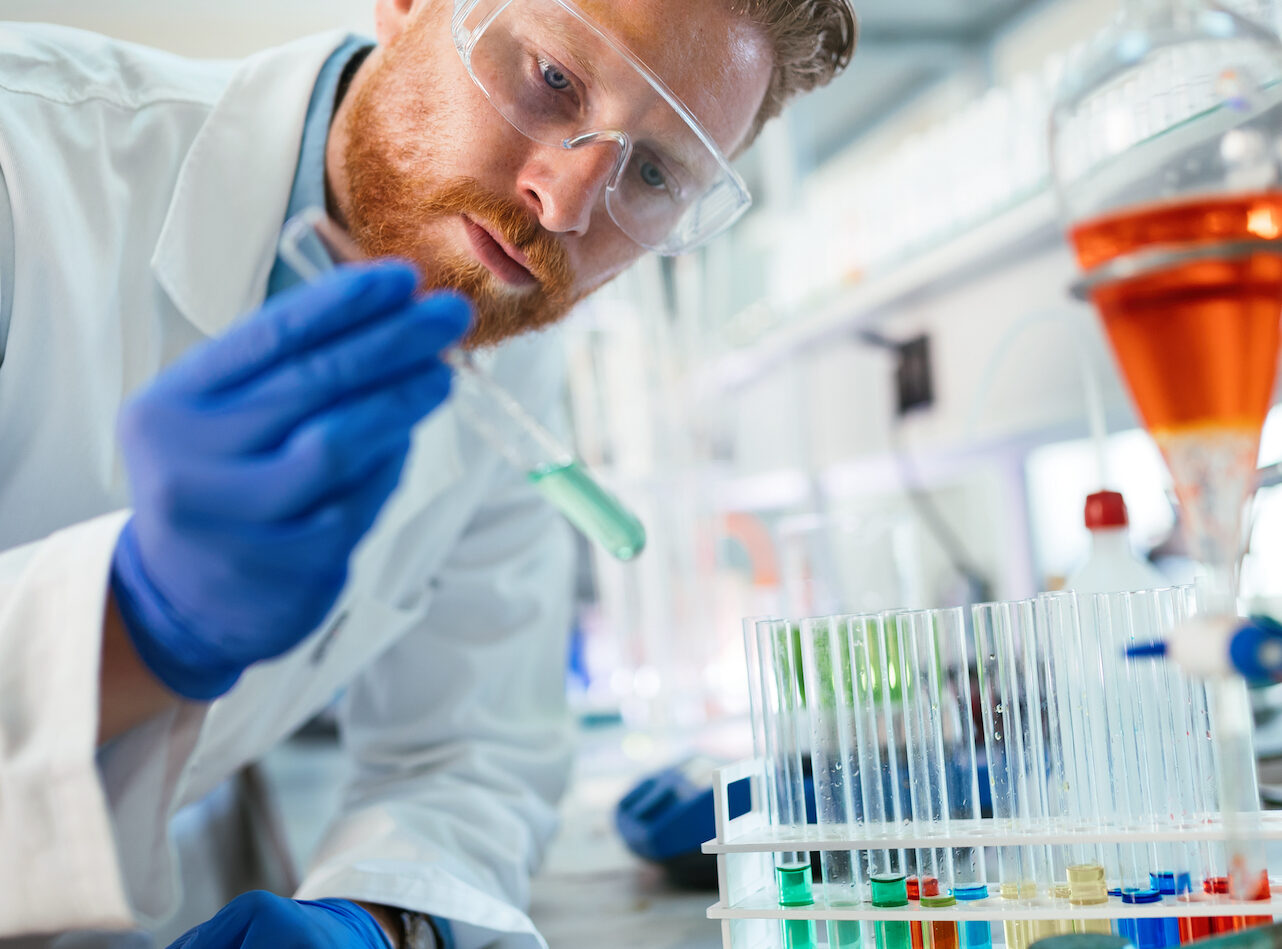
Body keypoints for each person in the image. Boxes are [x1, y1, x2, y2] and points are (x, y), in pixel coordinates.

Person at [0, 0, 856, 946]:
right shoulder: (24, 158)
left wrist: (378, 921)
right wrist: (136, 619)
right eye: (554, 79)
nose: (567, 203)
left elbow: (475, 749)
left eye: (652, 171)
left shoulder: (505, 344)